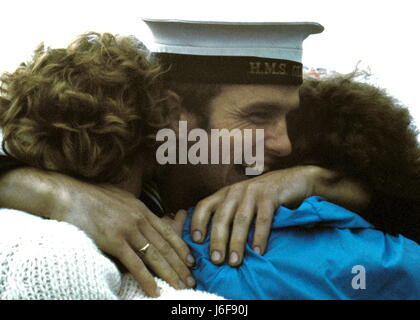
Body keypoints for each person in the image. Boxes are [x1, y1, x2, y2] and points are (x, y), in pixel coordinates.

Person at [0, 20, 417, 297]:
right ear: (171, 114)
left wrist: (315, 182)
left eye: (286, 116)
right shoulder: (105, 152)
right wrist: (44, 191)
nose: (283, 143)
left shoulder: (306, 145)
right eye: (258, 117)